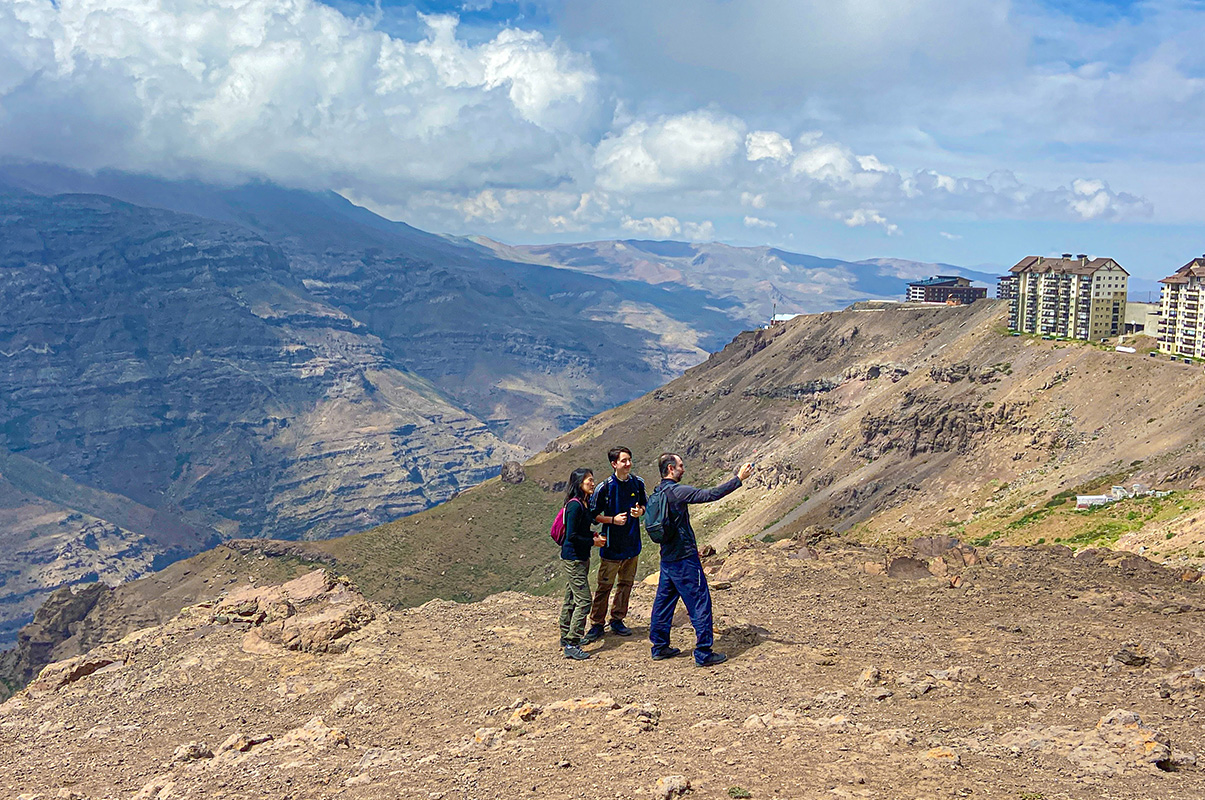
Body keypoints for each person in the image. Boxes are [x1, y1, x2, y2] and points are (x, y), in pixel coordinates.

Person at [648, 453, 754, 667]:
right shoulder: (678, 492)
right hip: (685, 559)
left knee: (663, 603)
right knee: (699, 603)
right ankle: (704, 653)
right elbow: (711, 494)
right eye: (680, 466)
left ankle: (659, 646)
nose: (683, 469)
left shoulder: (657, 492)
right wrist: (738, 479)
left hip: (667, 558)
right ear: (670, 469)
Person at [583, 447, 647, 643]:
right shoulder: (605, 487)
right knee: (605, 586)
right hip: (612, 546)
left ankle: (618, 619)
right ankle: (597, 623)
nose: (628, 464)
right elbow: (592, 515)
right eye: (624, 461)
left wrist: (640, 512)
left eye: (629, 460)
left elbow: (645, 505)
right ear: (614, 464)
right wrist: (612, 520)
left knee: (626, 584)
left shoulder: (638, 483)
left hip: (632, 544)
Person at [558, 467, 605, 660]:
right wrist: (592, 541)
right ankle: (572, 642)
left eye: (593, 480)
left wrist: (592, 535)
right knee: (584, 601)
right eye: (589, 481)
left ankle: (565, 634)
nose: (592, 483)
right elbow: (571, 536)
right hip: (574, 558)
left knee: (571, 596)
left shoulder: (583, 504)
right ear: (579, 484)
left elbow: (581, 530)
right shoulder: (575, 506)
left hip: (580, 557)